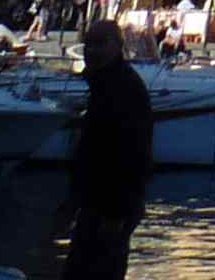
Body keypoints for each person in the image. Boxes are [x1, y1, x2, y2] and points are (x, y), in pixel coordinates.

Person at [65, 19, 158, 280]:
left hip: (111, 207)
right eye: (88, 44)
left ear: (117, 46)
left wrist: (117, 213)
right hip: (96, 202)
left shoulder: (124, 88)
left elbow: (132, 154)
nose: (92, 50)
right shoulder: (104, 84)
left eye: (100, 44)